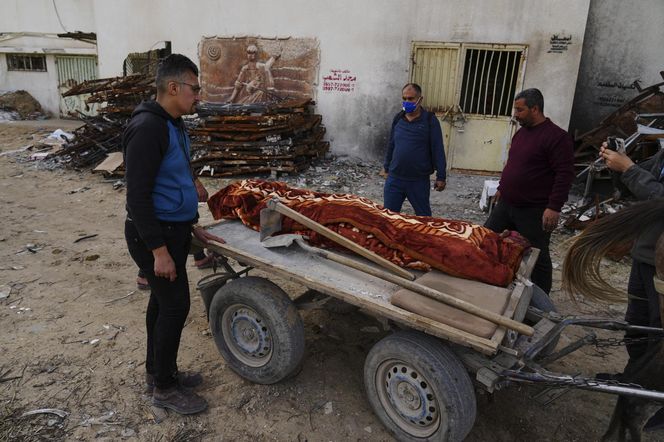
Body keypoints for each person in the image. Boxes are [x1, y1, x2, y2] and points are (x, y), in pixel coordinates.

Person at [123, 54, 224, 415]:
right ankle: (164, 388)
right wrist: (159, 251)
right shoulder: (148, 128)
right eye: (194, 89)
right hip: (153, 235)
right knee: (175, 305)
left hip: (174, 229)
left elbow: (175, 173)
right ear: (173, 87)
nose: (198, 96)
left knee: (162, 303)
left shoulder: (174, 124)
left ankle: (158, 373)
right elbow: (137, 197)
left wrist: (191, 225)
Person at [484, 88, 574, 294]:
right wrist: (502, 187)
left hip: (534, 209)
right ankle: (491, 283)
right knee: (487, 239)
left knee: (537, 255)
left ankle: (541, 303)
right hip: (507, 204)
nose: (515, 114)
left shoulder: (557, 137)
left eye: (520, 110)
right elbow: (513, 164)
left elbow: (565, 174)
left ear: (535, 109)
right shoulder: (521, 133)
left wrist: (553, 207)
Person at [601, 141, 664, 431]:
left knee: (658, 335)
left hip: (662, 266)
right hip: (644, 256)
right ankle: (636, 381)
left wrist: (630, 169)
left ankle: (656, 400)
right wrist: (617, 167)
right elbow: (632, 188)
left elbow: (659, 196)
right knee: (637, 326)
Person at [382, 83, 447, 217]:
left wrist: (441, 176)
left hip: (418, 181)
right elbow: (391, 144)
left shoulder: (430, 120)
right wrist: (386, 167)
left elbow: (438, 148)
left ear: (420, 99)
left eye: (410, 99)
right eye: (404, 98)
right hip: (395, 179)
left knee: (424, 218)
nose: (407, 102)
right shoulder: (398, 118)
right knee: (388, 218)